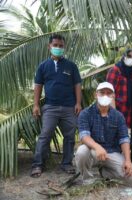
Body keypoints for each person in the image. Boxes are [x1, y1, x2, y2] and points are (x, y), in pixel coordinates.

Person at [31, 34, 82, 177]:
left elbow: (77, 85)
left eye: (61, 46)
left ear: (64, 47)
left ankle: (66, 164)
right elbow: (38, 86)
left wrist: (78, 103)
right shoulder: (43, 66)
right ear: (49, 46)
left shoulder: (71, 66)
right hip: (50, 107)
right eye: (55, 45)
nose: (58, 48)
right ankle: (37, 165)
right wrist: (36, 105)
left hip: (69, 108)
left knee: (70, 136)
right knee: (45, 135)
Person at [75, 82, 132, 182]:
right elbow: (84, 136)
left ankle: (105, 172)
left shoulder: (118, 116)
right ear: (96, 95)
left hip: (111, 152)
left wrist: (128, 161)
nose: (105, 96)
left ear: (113, 96)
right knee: (81, 151)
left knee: (130, 175)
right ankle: (87, 178)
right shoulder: (85, 113)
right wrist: (97, 147)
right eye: (102, 93)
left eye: (108, 93)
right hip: (92, 151)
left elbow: (124, 139)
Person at [106, 49, 132, 128]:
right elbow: (108, 92)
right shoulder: (115, 70)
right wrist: (114, 114)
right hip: (117, 109)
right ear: (124, 56)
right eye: (129, 56)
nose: (131, 59)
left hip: (128, 111)